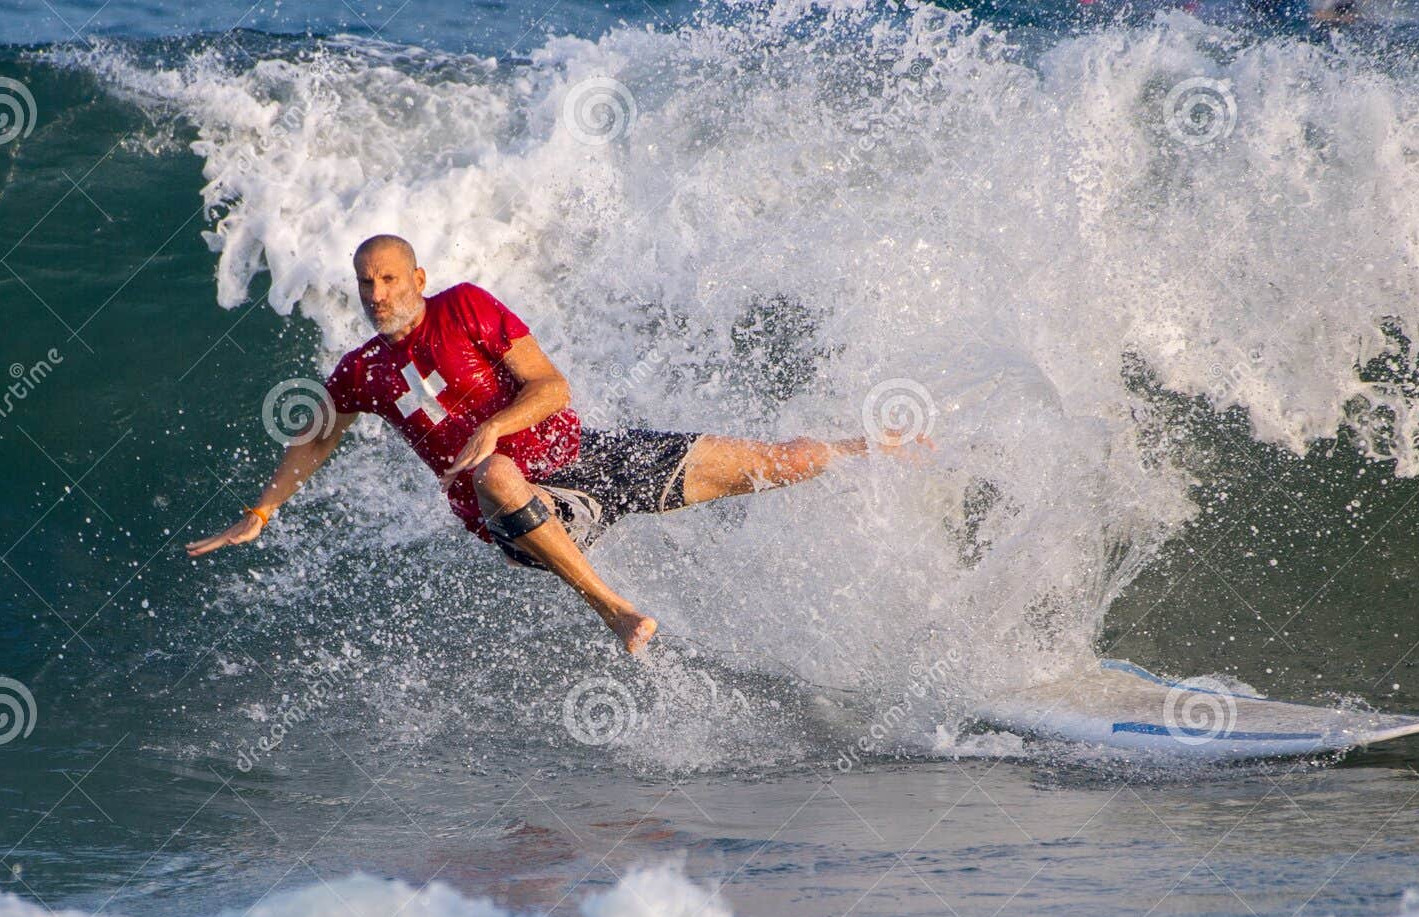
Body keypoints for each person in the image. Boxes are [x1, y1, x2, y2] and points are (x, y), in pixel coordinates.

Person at [186, 234, 919, 653]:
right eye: (363, 282)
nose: (375, 294)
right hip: (512, 505)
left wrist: (495, 420)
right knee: (496, 474)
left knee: (772, 462)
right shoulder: (363, 372)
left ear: (417, 278)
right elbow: (313, 440)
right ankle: (613, 608)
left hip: (586, 453)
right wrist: (264, 510)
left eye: (387, 278)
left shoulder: (466, 306)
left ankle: (879, 449)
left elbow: (550, 386)